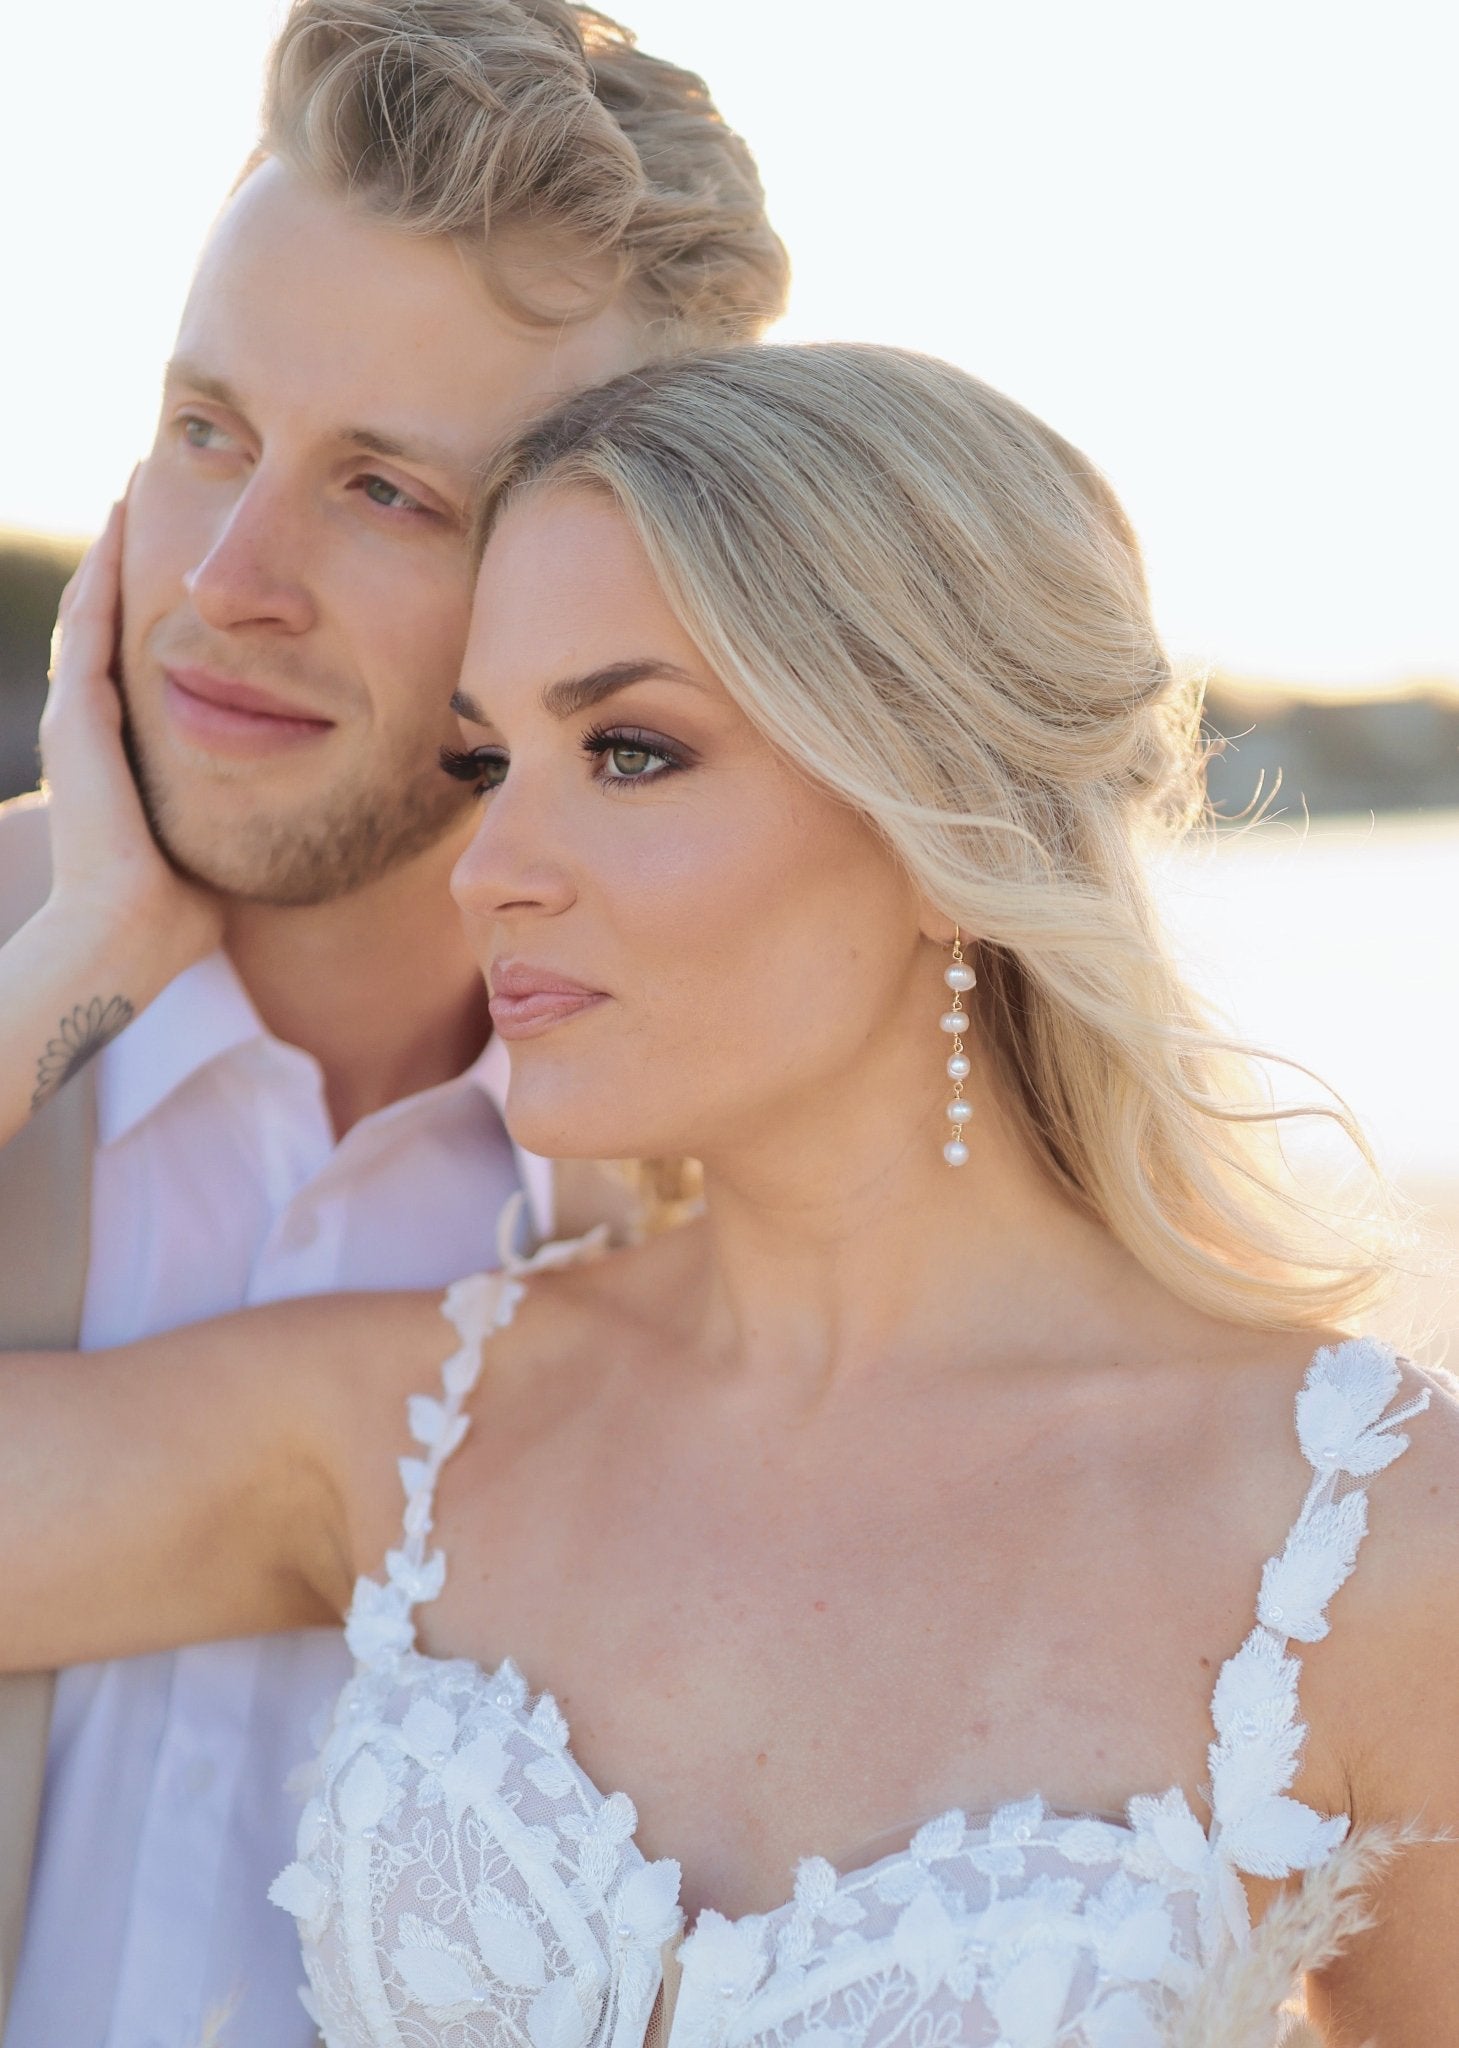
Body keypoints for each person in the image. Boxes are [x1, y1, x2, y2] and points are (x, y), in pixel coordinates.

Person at [5, 342, 1456, 2045]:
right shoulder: (416, 1425)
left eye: (627, 750)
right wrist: (78, 947)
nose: (491, 870)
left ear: (946, 817)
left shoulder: (1366, 1544)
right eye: (486, 765)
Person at [0, 3, 787, 2039]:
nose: (228, 577)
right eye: (204, 432)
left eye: (385, 495)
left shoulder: (741, 1177)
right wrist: (75, 955)